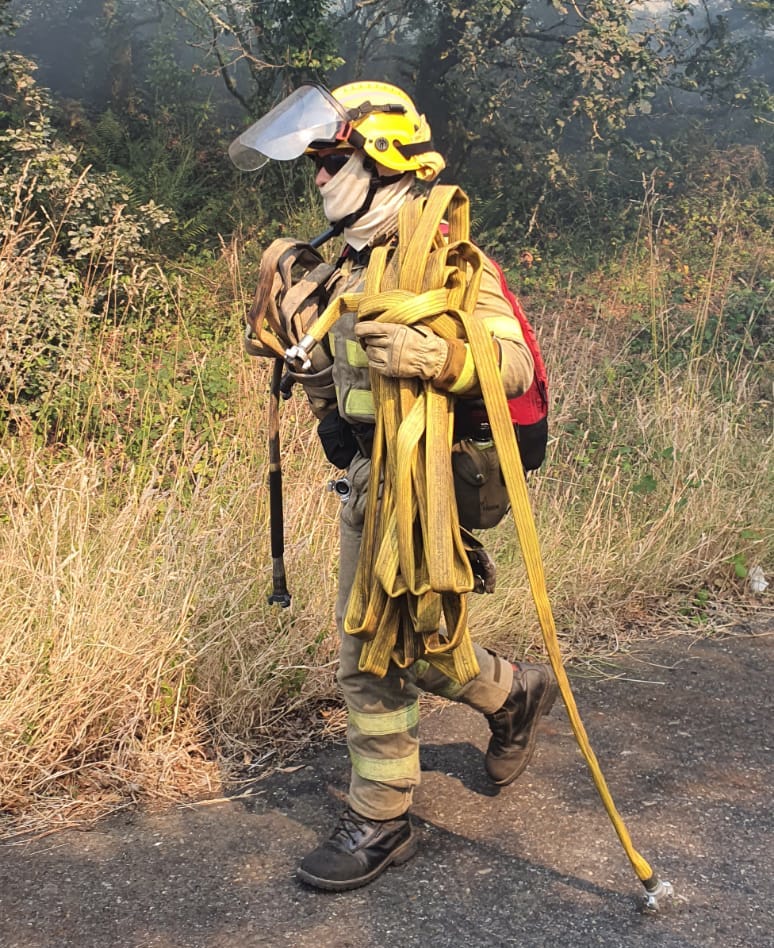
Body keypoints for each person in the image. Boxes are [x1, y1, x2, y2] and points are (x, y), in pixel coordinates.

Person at [229, 80, 558, 892]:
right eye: (312, 163)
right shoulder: (346, 260)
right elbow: (328, 366)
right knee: (423, 652)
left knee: (370, 657)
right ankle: (516, 694)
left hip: (430, 485)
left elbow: (511, 361)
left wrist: (444, 359)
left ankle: (381, 817)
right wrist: (311, 376)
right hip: (373, 482)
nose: (317, 178)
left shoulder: (445, 257)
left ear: (380, 164)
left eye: (330, 160)